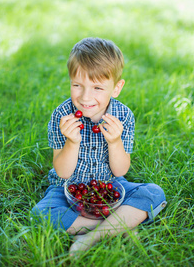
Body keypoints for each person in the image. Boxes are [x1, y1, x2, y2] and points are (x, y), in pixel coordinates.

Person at [31, 37, 167, 254]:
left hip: (110, 183)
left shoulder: (123, 116)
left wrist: (114, 142)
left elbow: (120, 171)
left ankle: (90, 237)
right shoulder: (62, 116)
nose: (86, 97)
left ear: (116, 88)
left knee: (153, 193)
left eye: (97, 87)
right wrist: (72, 142)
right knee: (41, 214)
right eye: (77, 85)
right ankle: (119, 227)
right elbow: (63, 172)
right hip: (67, 188)